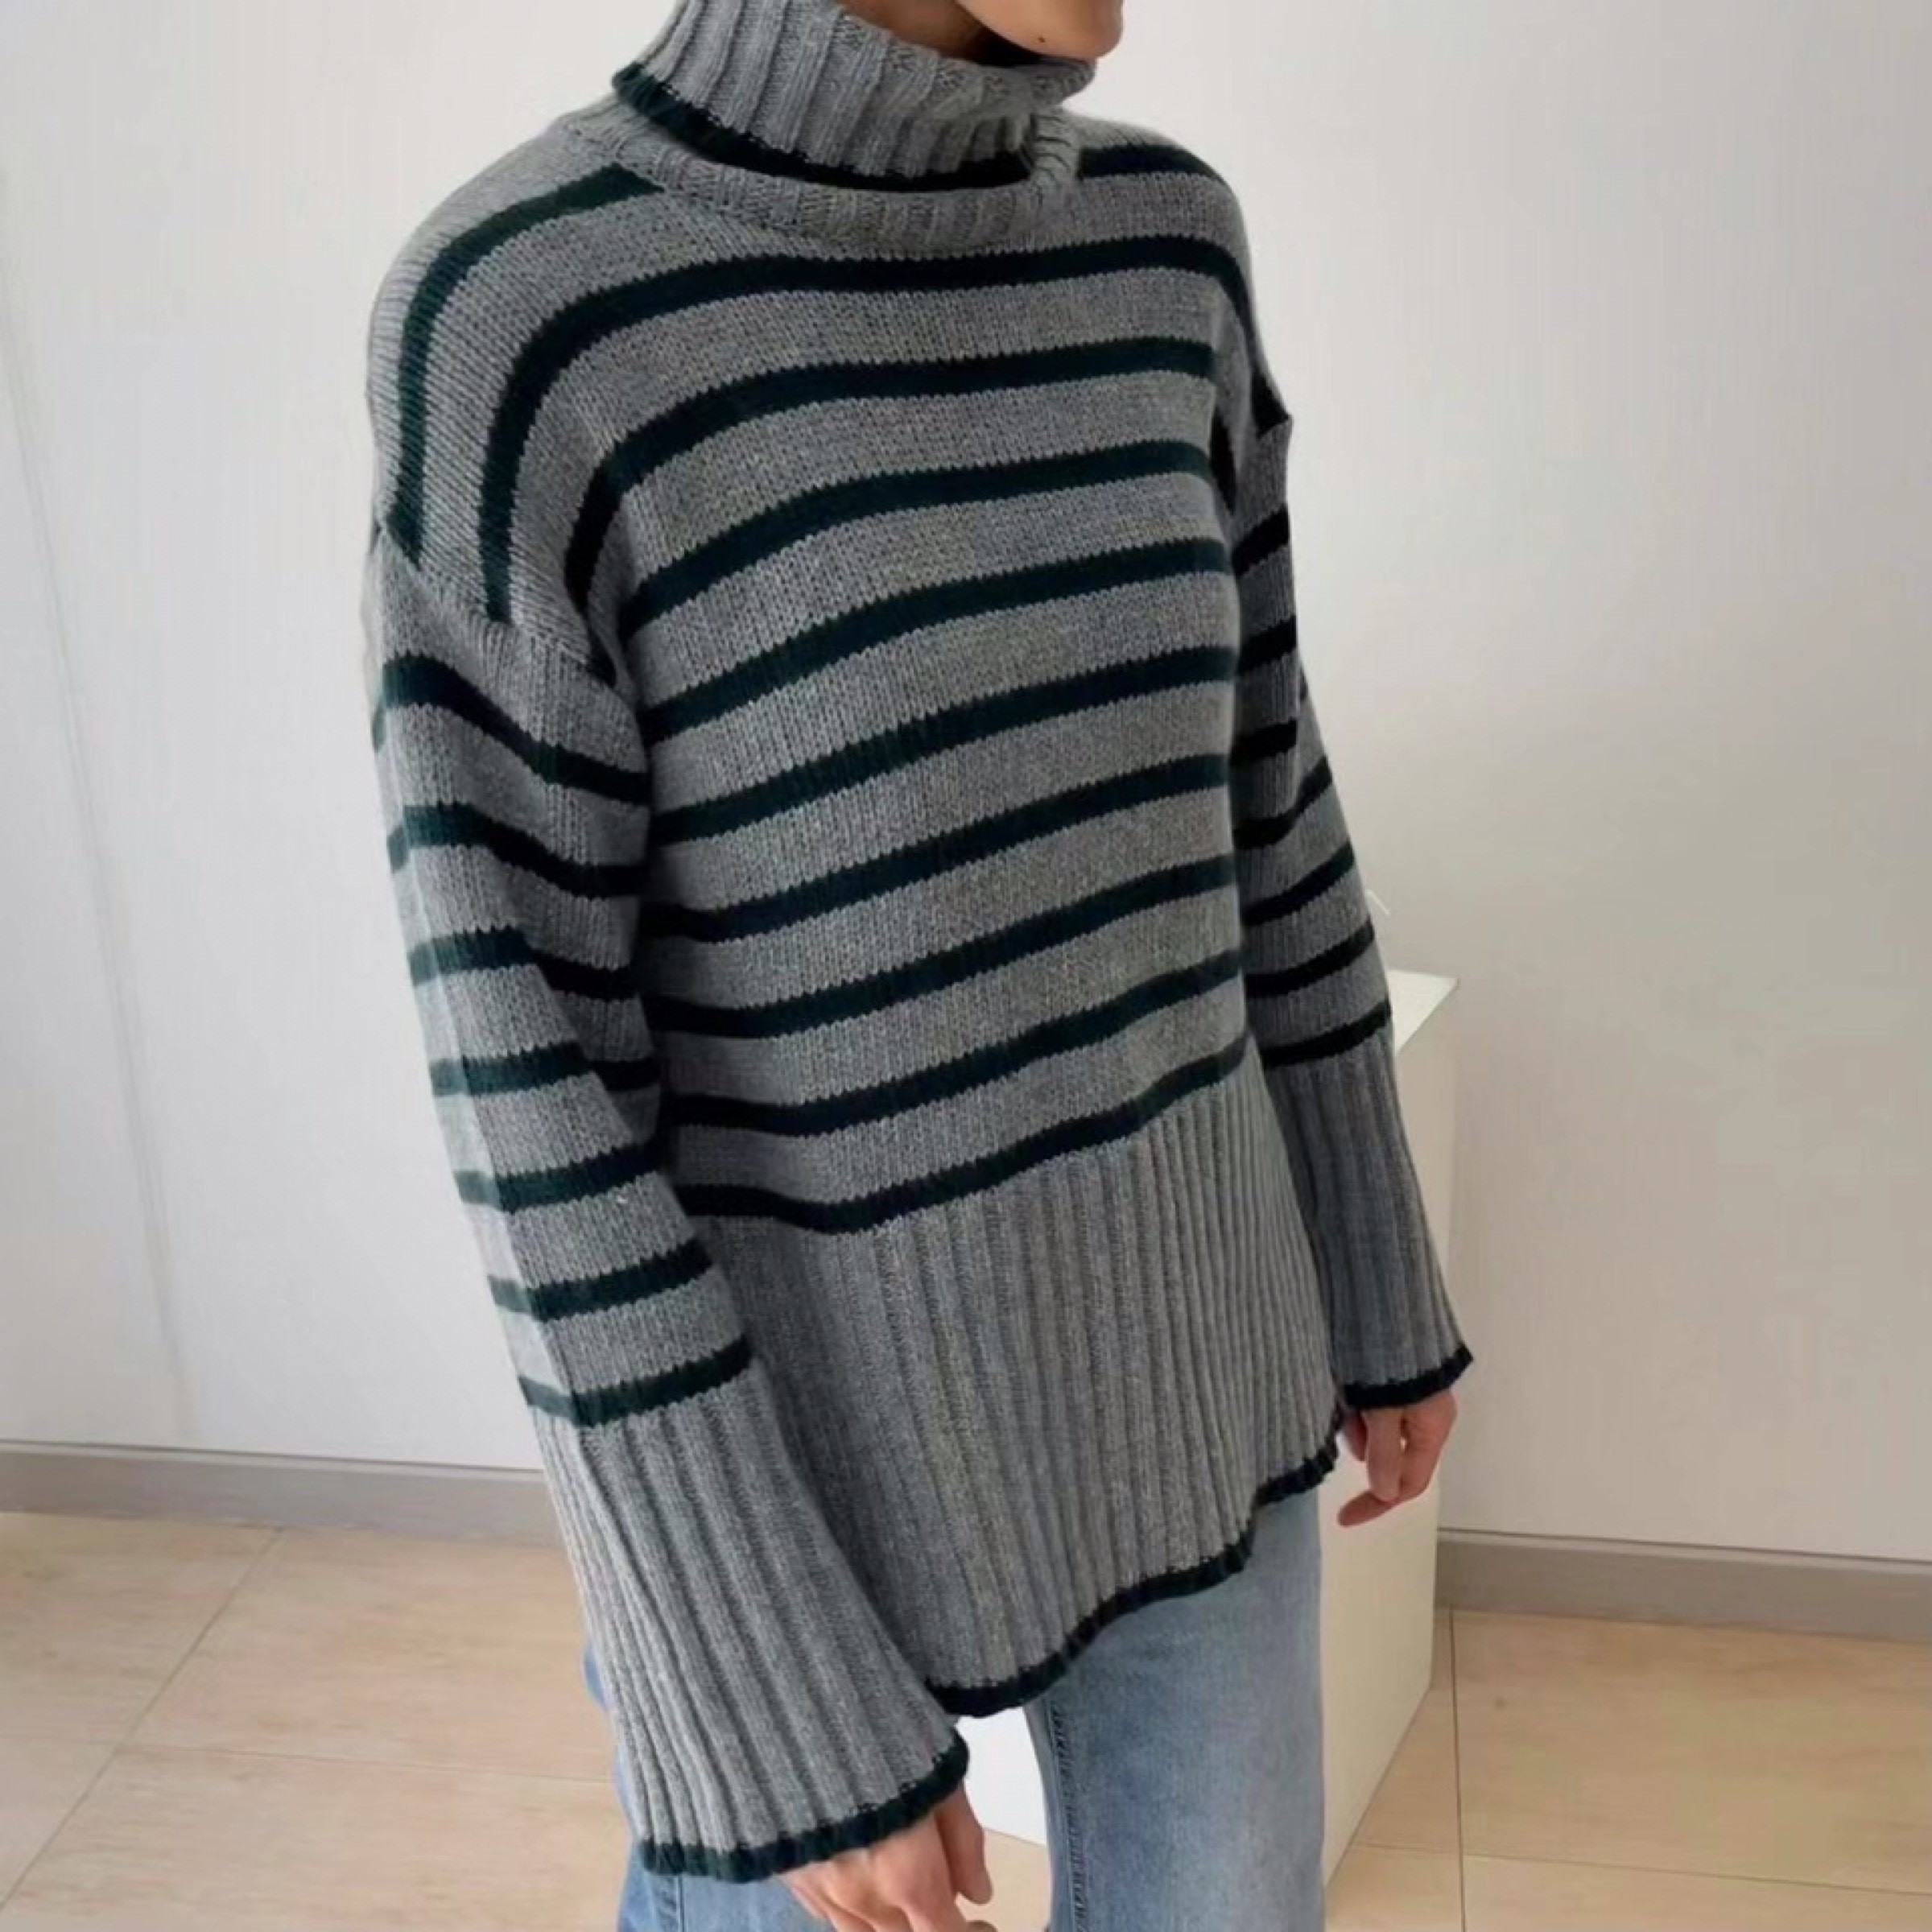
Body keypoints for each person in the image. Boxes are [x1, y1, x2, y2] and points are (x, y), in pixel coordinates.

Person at [357, 0, 1473, 1926]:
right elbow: (530, 1083)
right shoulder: (526, 319)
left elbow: (1264, 799)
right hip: (808, 1470)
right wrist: (766, 1698)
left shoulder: (1167, 245)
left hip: (1199, 1379)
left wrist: (1375, 1274)